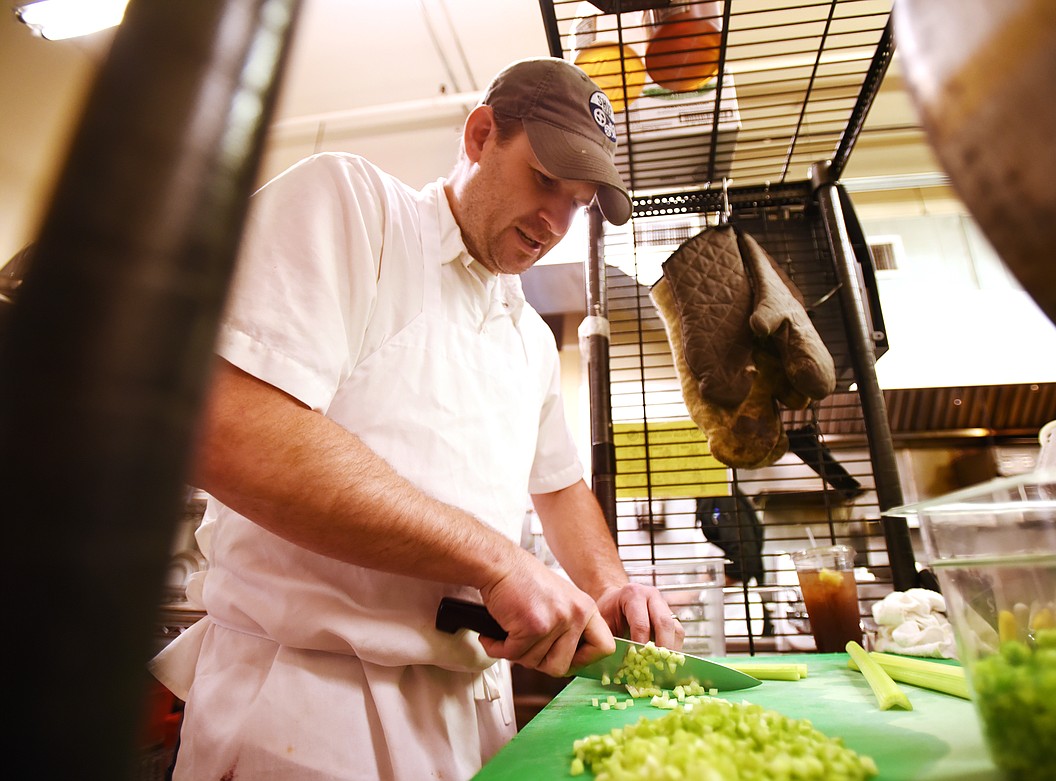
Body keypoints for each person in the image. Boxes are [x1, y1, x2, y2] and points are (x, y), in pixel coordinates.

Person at [150, 57, 683, 781]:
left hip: (472, 716)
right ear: (481, 133)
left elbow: (558, 488)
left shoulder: (525, 334)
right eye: (546, 180)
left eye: (579, 199)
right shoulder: (354, 208)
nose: (555, 221)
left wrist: (609, 583)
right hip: (307, 710)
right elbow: (229, 428)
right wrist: (498, 561)